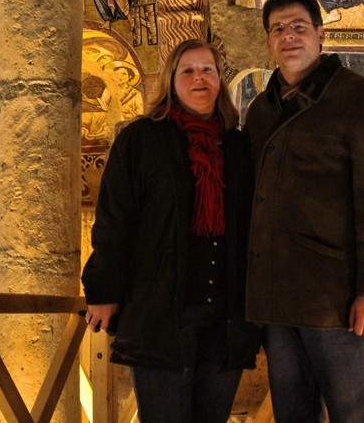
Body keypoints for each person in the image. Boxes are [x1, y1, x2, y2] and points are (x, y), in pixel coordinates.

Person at [244, 0, 364, 422]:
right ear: (268, 41)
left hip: (335, 302)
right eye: (278, 29)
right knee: (292, 415)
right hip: (278, 301)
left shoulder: (358, 99)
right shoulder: (261, 111)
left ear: (320, 35)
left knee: (352, 415)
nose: (288, 36)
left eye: (299, 27)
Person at [81, 39, 261, 423]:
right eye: (188, 71)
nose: (199, 78)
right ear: (171, 81)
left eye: (208, 70)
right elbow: (115, 218)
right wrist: (103, 289)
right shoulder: (142, 139)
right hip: (161, 314)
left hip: (225, 317)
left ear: (220, 79)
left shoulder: (237, 146)